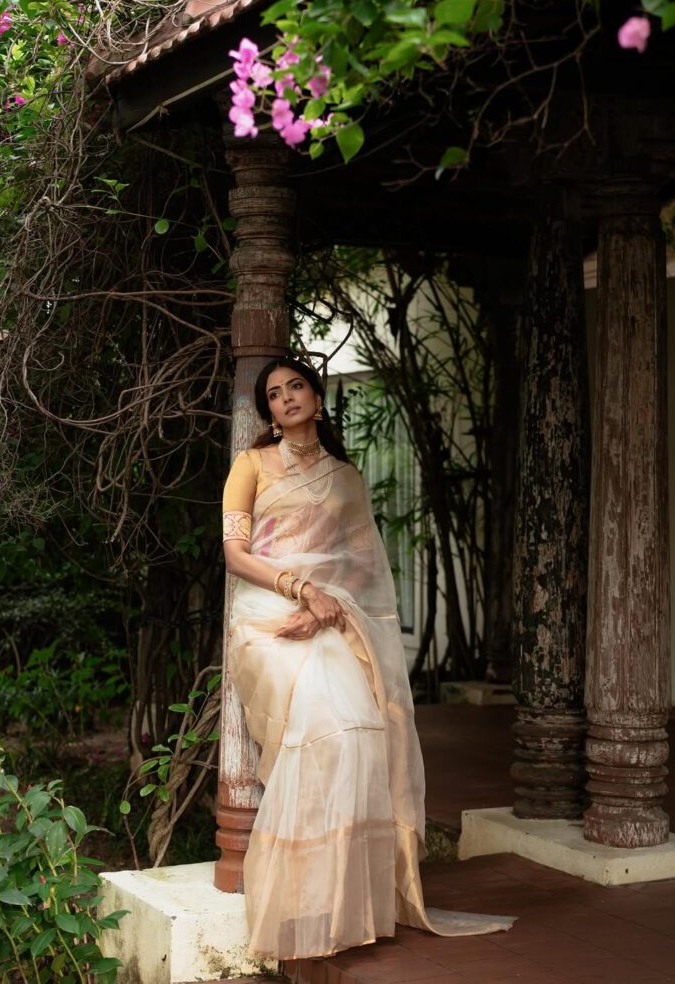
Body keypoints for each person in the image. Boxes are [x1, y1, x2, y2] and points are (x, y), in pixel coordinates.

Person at [222, 355, 514, 961]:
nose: (286, 397)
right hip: (267, 617)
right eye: (274, 394)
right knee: (320, 733)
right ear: (269, 412)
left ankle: (344, 902)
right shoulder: (250, 465)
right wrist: (303, 591)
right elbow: (236, 553)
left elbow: (359, 566)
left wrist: (324, 607)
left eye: (295, 386)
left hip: (330, 616)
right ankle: (297, 903)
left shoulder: (346, 478)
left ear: (316, 397)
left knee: (358, 733)